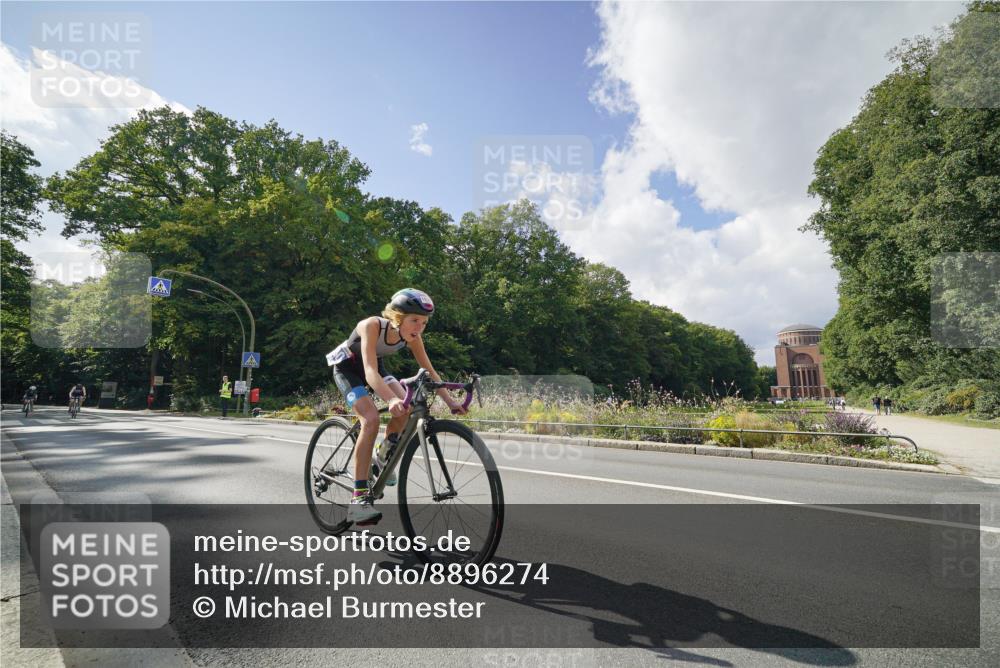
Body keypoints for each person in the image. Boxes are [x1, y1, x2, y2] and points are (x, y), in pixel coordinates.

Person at [326, 288, 467, 525]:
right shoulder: (371, 326)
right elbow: (369, 370)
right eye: (414, 321)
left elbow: (431, 372)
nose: (419, 328)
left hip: (376, 370)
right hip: (348, 370)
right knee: (370, 420)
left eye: (424, 323)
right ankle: (358, 499)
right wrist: (390, 399)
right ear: (396, 317)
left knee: (409, 409)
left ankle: (381, 458)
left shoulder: (414, 337)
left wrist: (451, 401)